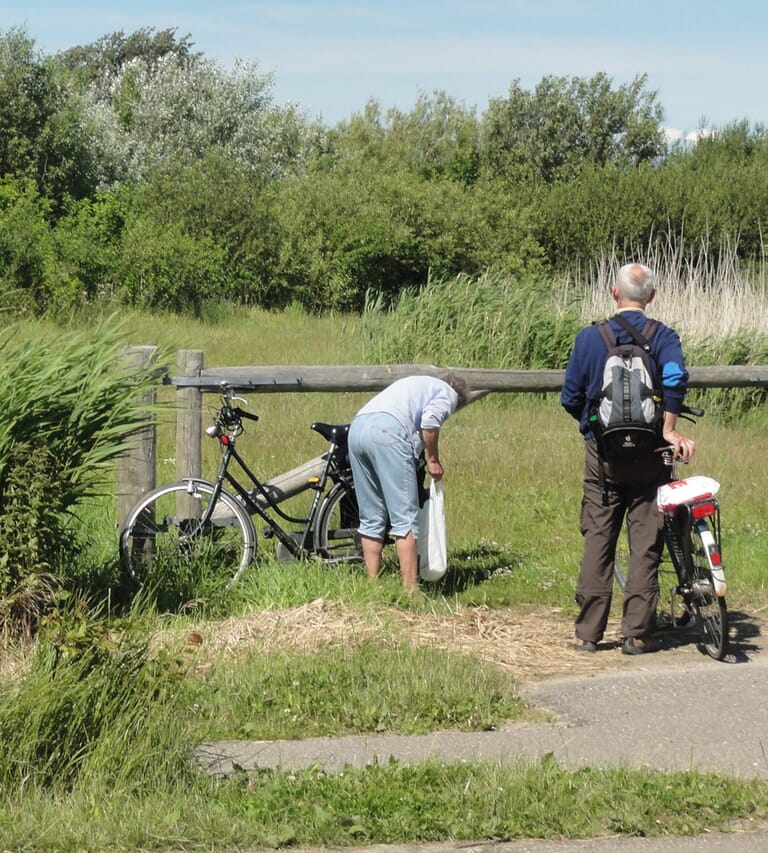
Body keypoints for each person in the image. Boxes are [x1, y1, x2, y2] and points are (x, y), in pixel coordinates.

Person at [560, 262, 696, 655]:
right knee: (645, 540)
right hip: (652, 455)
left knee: (598, 537)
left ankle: (589, 633)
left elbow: (570, 396)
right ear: (650, 297)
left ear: (614, 293)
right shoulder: (664, 337)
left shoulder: (590, 338)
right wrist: (668, 428)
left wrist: (594, 427)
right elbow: (674, 378)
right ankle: (636, 633)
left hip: (602, 457)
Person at [348, 373, 469, 593]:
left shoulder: (419, 384)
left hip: (357, 428)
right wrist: (433, 460)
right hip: (388, 432)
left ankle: (372, 587)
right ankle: (410, 591)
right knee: (405, 519)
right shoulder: (448, 394)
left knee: (372, 517)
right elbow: (431, 421)